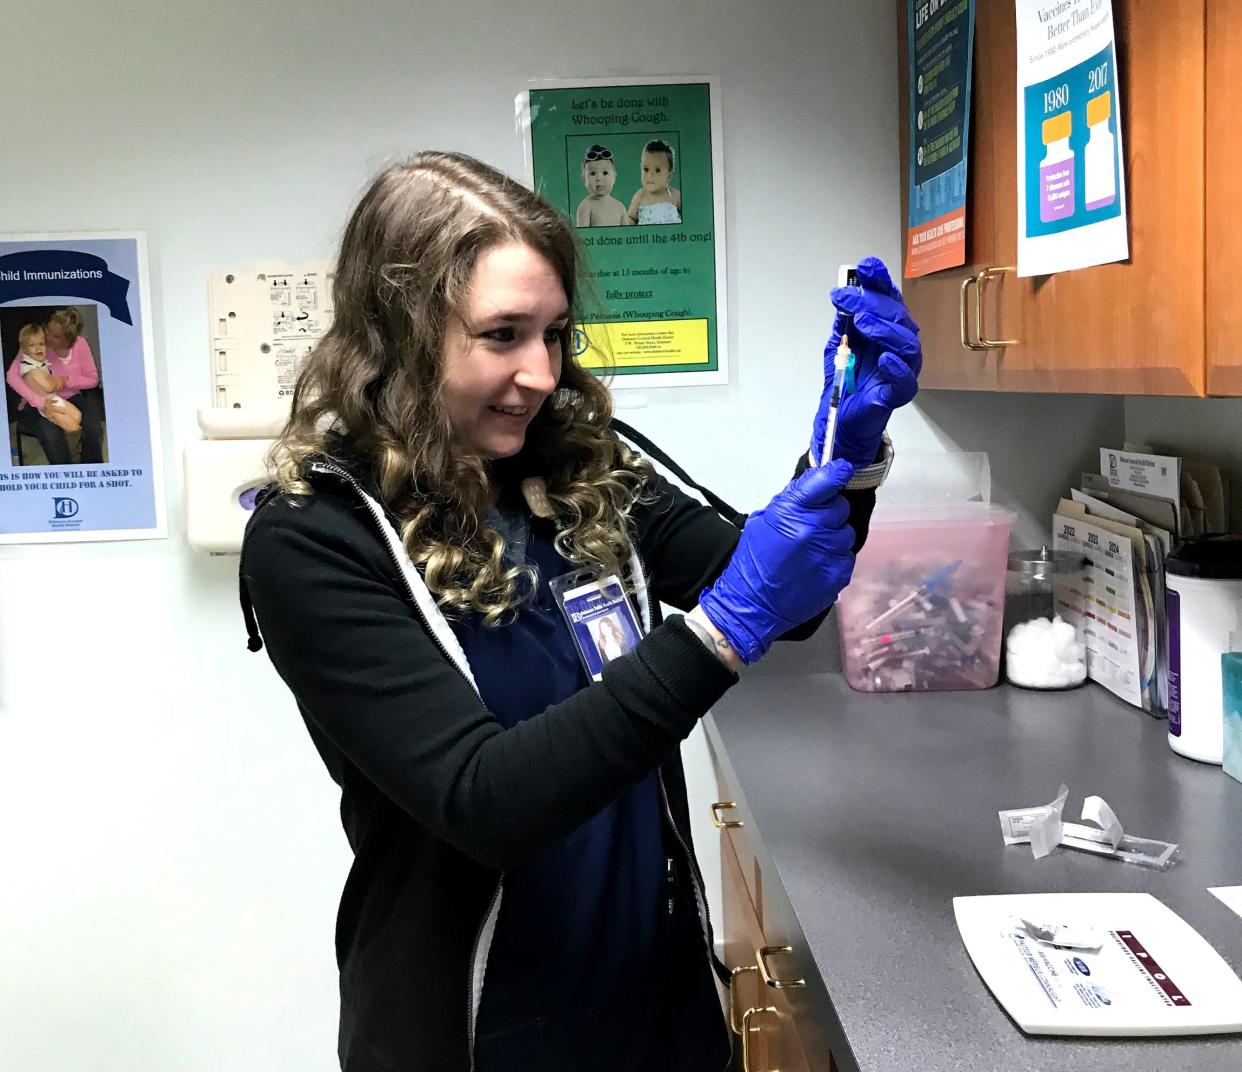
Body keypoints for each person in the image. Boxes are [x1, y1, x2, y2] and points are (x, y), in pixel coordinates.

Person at [239, 151, 920, 1072]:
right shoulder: (318, 536)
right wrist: (718, 633)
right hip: (478, 1027)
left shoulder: (578, 467)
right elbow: (487, 799)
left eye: (556, 333)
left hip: (655, 1003)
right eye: (502, 334)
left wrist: (848, 458)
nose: (541, 373)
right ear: (398, 335)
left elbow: (775, 591)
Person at [5, 307, 104, 464]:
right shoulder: (36, 342)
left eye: (56, 336)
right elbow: (12, 376)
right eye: (48, 330)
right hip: (40, 399)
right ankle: (64, 473)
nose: (48, 338)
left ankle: (91, 471)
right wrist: (41, 403)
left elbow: (93, 379)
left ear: (69, 340)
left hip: (71, 395)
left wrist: (65, 381)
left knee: (93, 428)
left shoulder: (80, 345)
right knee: (51, 434)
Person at [10, 323, 82, 433]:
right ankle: (72, 446)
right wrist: (61, 381)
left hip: (55, 398)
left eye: (41, 344)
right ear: (24, 350)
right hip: (47, 404)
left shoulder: (40, 362)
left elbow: (32, 385)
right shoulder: (30, 369)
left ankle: (71, 438)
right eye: (32, 345)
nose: (38, 348)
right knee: (73, 427)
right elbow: (49, 387)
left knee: (77, 416)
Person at [627, 138, 682, 224]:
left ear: (669, 176)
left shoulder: (675, 196)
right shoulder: (640, 196)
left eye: (657, 170)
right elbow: (631, 217)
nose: (650, 175)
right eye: (646, 169)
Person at [574, 145, 630, 227]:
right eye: (593, 173)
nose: (599, 178)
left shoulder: (620, 207)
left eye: (605, 173)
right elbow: (583, 235)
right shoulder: (586, 206)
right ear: (584, 179)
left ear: (614, 177)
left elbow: (627, 234)